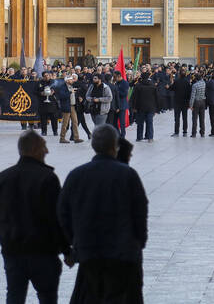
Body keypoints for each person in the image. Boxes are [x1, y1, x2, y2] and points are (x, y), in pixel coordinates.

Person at [58, 126, 148, 304]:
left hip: (89, 253)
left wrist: (72, 245)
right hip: (123, 253)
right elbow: (140, 212)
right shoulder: (128, 175)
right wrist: (138, 243)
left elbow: (62, 213)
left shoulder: (77, 175)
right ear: (115, 146)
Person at [0, 130, 70, 304]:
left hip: (13, 251)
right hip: (42, 252)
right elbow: (56, 219)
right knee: (47, 297)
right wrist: (67, 250)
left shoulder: (4, 177)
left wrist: (8, 235)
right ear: (34, 150)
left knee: (14, 296)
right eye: (44, 147)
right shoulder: (47, 178)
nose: (47, 151)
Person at [130, 72, 157, 142]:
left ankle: (139, 137)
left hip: (140, 107)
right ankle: (150, 137)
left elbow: (134, 97)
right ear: (148, 78)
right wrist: (156, 108)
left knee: (140, 123)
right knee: (149, 122)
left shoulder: (138, 86)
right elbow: (157, 97)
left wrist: (134, 107)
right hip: (151, 107)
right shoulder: (153, 85)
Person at [59, 75, 84, 144]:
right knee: (65, 123)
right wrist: (70, 92)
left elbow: (73, 95)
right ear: (67, 81)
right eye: (71, 79)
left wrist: (78, 98)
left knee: (75, 122)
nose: (72, 80)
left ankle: (76, 138)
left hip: (73, 106)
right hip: (67, 106)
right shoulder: (63, 87)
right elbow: (62, 96)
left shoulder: (71, 86)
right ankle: (62, 138)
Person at [36, 72, 59, 136]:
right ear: (43, 77)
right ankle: (44, 131)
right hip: (43, 103)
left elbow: (58, 89)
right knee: (43, 119)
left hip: (52, 103)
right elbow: (35, 91)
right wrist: (41, 93)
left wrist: (54, 91)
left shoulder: (53, 82)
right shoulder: (39, 83)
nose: (47, 77)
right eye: (45, 76)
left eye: (48, 75)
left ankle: (55, 131)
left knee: (54, 118)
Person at [170, 71, 191, 137]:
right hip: (185, 102)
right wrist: (189, 103)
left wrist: (171, 83)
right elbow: (189, 93)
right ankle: (185, 132)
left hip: (177, 102)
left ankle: (176, 132)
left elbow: (171, 88)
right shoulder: (187, 82)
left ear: (179, 75)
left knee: (177, 118)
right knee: (185, 117)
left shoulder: (176, 81)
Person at [189, 72, 206, 137]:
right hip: (203, 101)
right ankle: (202, 133)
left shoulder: (194, 85)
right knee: (202, 118)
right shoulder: (204, 83)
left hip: (196, 102)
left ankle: (194, 133)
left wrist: (191, 105)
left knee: (194, 118)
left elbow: (192, 96)